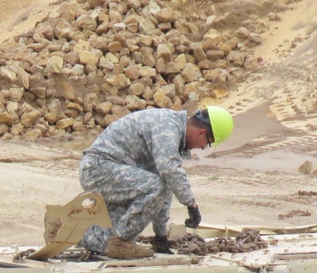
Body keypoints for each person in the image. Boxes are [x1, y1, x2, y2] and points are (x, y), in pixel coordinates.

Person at [78, 106, 233, 260]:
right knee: (154, 187)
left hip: (107, 172)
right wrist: (191, 205)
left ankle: (73, 234)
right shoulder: (167, 126)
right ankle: (121, 243)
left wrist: (161, 235)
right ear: (202, 132)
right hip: (99, 169)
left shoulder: (171, 131)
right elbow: (169, 171)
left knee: (106, 241)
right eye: (207, 142)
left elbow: (165, 187)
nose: (202, 147)